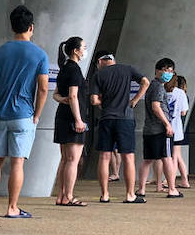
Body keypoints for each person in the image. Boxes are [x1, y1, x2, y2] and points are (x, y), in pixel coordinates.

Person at [0, 5, 50, 219]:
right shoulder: (39, 54)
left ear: (12, 27)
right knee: (17, 162)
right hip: (24, 115)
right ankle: (12, 207)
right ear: (31, 27)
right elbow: (43, 88)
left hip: (1, 114)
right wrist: (37, 114)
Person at [89, 51, 150, 203]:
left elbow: (93, 100)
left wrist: (103, 104)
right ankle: (130, 195)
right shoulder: (127, 69)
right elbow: (145, 82)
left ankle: (104, 195)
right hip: (125, 118)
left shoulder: (98, 75)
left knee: (104, 157)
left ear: (100, 62)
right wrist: (135, 100)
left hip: (106, 118)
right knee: (128, 157)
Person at [51, 36, 89, 207]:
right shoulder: (74, 70)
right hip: (73, 119)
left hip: (62, 117)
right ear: (76, 50)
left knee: (65, 159)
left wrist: (63, 100)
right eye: (83, 47)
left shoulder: (64, 68)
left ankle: (61, 195)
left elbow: (56, 95)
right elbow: (73, 95)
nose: (85, 51)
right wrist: (79, 119)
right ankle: (68, 196)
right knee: (73, 159)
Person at [136, 59, 181, 199]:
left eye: (170, 70)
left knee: (147, 160)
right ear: (157, 70)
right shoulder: (159, 87)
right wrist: (167, 124)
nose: (168, 73)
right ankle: (172, 189)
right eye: (165, 70)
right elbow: (156, 107)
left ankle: (141, 189)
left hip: (148, 129)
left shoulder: (151, 86)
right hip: (160, 130)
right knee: (167, 158)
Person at [170, 75, 190, 188]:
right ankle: (184, 180)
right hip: (180, 129)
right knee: (177, 156)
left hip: (175, 128)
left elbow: (182, 112)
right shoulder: (184, 95)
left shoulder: (177, 94)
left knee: (174, 157)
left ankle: (171, 181)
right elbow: (184, 112)